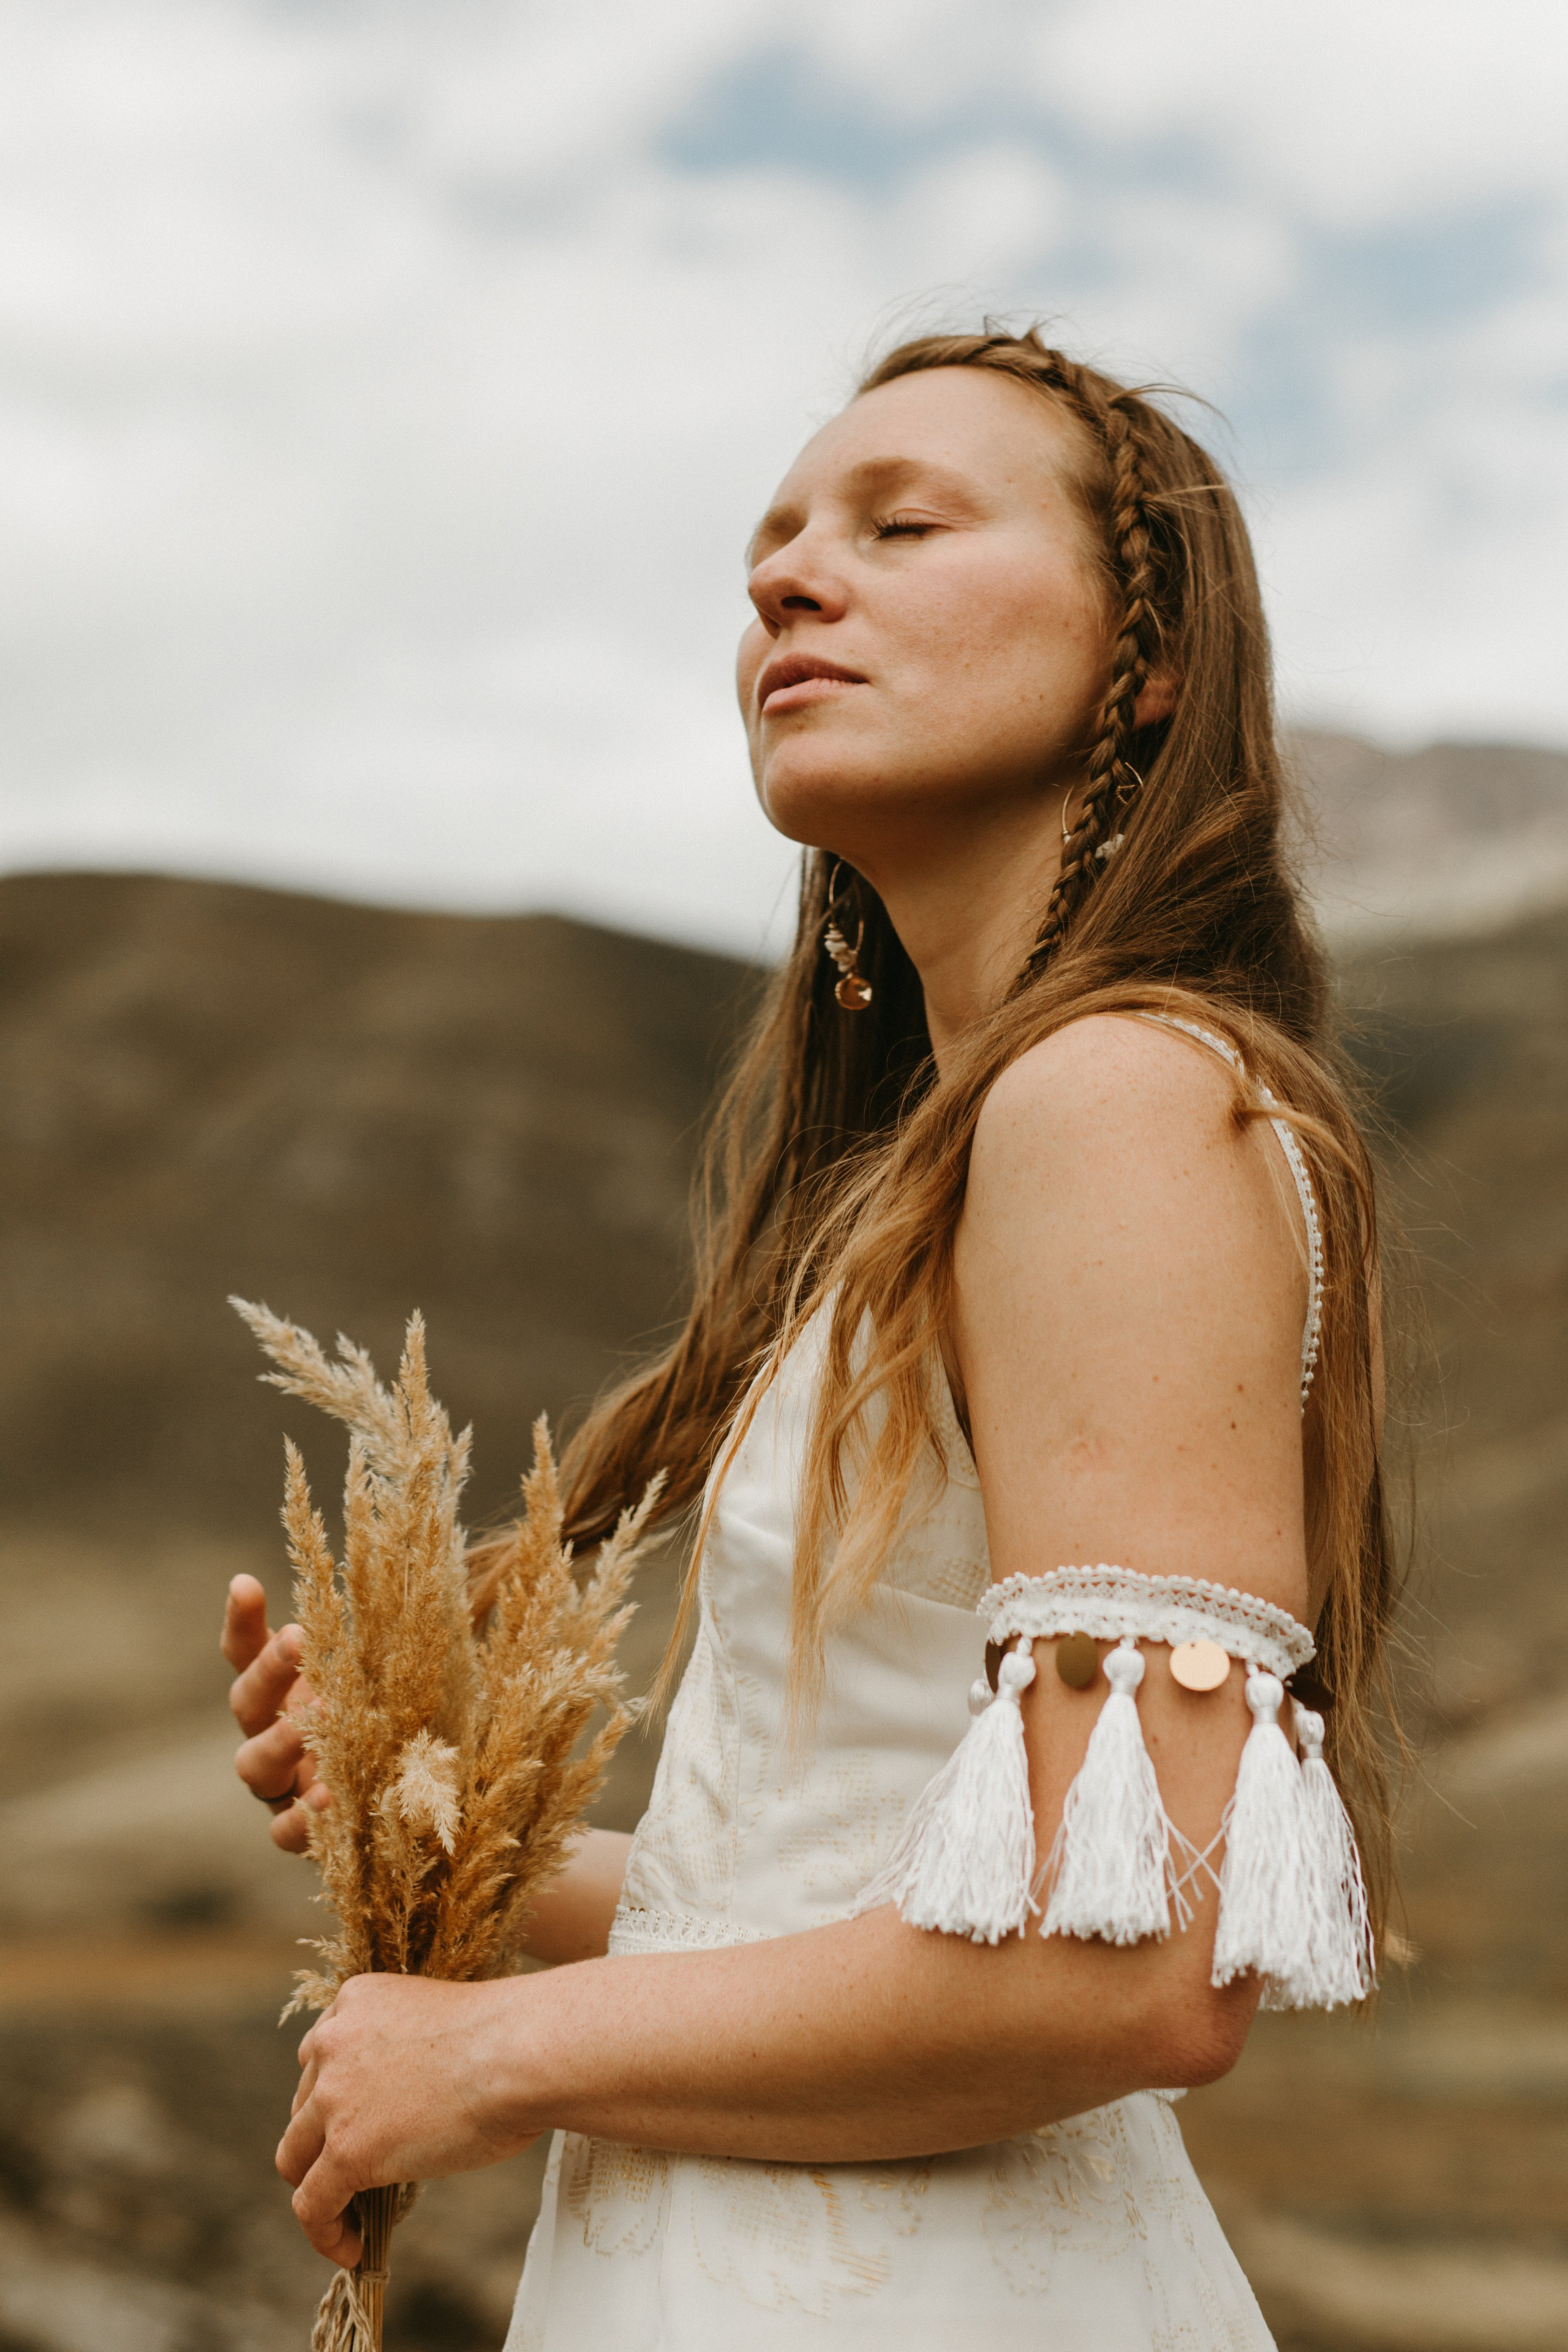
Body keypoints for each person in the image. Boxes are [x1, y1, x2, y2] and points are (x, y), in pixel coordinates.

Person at [222, 328, 1395, 2349]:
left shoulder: (1112, 1099)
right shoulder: (970, 1157)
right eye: (768, 545)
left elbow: (1142, 1964)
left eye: (901, 523)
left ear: (1154, 660)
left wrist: (498, 2059)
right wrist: (454, 1847)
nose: (782, 580)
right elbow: (840, 1913)